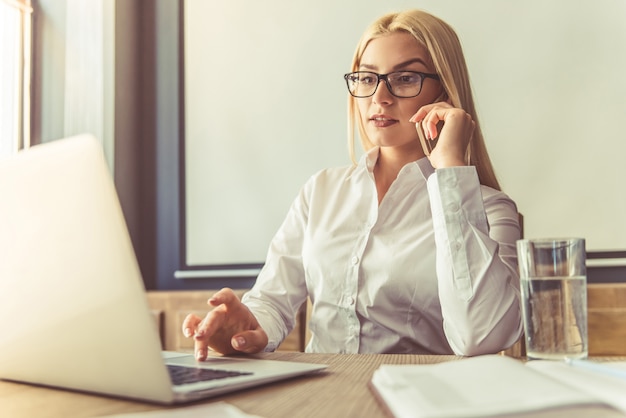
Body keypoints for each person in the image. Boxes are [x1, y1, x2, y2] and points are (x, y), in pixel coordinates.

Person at [182, 9, 523, 359]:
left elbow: (481, 337)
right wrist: (247, 327)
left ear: (445, 92)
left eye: (405, 78)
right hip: (321, 396)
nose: (380, 97)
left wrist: (451, 168)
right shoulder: (321, 191)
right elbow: (272, 299)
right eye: (366, 78)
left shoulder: (489, 209)